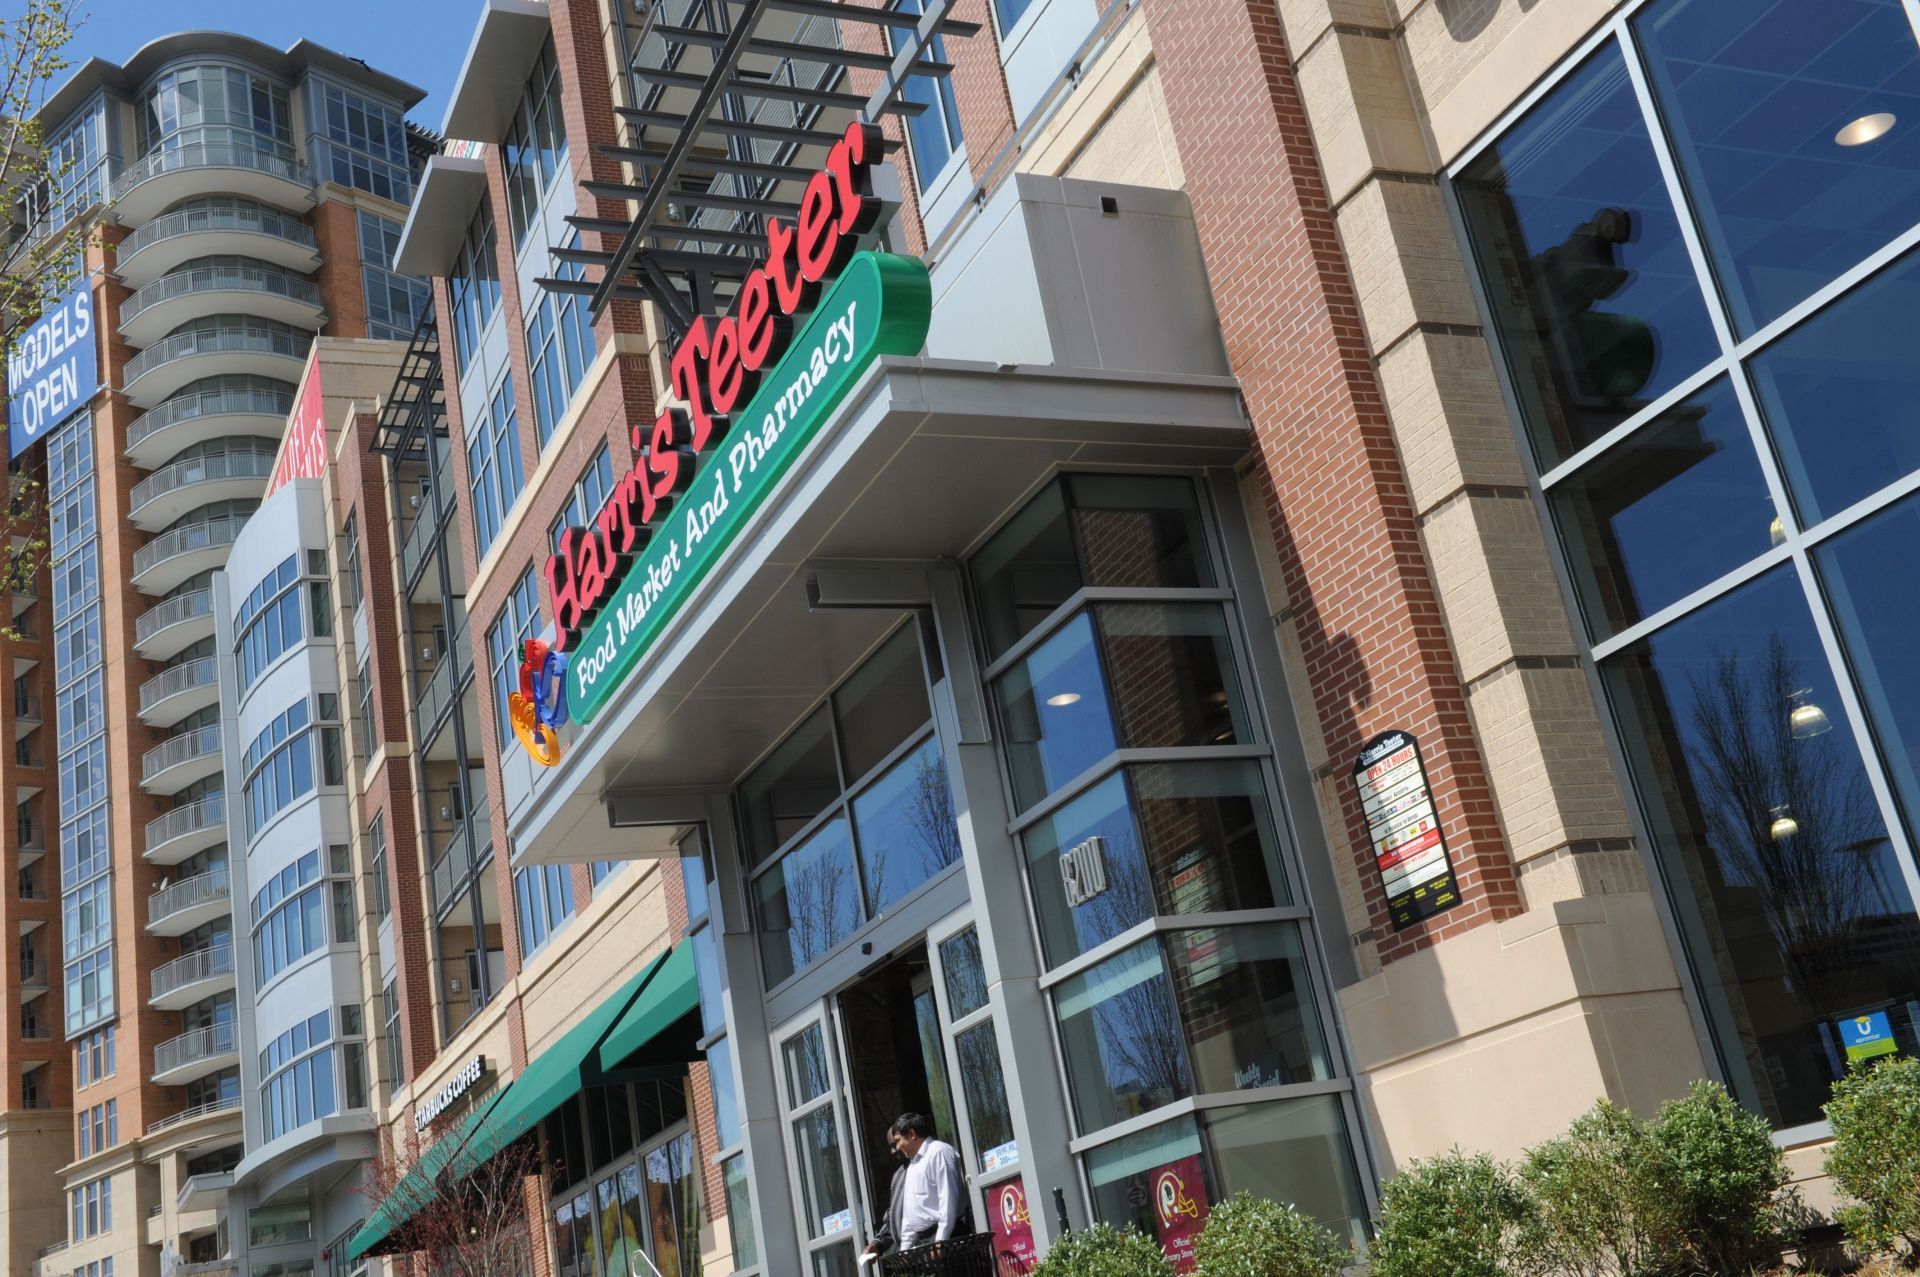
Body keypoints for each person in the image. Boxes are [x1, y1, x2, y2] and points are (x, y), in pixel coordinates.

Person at [892, 1112, 970, 1248]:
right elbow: (910, 1211)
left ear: (911, 1134)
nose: (897, 1147)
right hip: (925, 1240)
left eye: (898, 1140)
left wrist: (941, 1239)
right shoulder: (913, 1164)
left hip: (948, 1237)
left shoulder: (938, 1152)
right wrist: (905, 1248)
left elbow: (948, 1198)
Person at [860, 1128, 913, 1272]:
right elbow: (893, 1218)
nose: (893, 1151)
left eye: (894, 1144)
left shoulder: (927, 1165)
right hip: (906, 1260)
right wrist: (878, 1244)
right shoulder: (898, 1176)